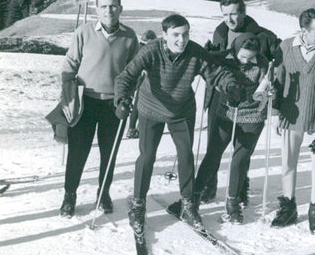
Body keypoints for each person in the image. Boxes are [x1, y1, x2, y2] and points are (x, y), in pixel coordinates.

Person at [114, 14, 241, 235]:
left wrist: (230, 86)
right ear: (164, 35)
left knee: (185, 155)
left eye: (185, 34)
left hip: (181, 110)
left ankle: (188, 204)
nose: (181, 40)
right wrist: (122, 99)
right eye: (176, 35)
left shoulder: (194, 51)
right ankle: (138, 204)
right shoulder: (152, 50)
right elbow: (126, 77)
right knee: (147, 156)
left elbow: (216, 73)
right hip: (150, 108)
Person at [59, 0, 139, 217]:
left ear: (121, 9)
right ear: (97, 9)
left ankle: (103, 192)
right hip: (85, 102)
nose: (109, 10)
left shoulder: (130, 36)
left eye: (113, 6)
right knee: (78, 152)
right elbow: (70, 64)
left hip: (114, 105)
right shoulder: (83, 32)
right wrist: (68, 92)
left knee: (109, 153)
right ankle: (69, 195)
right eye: (104, 6)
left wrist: (126, 98)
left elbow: (133, 73)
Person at [198, 0, 279, 202]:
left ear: (243, 12)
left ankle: (240, 187)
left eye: (233, 13)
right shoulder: (220, 32)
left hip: (249, 102)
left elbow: (276, 63)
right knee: (214, 146)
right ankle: (209, 186)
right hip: (220, 96)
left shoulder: (262, 35)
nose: (229, 19)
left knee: (242, 149)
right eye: (225, 14)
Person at [271, 8, 315, 235]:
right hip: (290, 117)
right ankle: (288, 207)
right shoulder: (286, 47)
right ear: (304, 30)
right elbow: (277, 82)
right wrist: (275, 112)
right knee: (287, 164)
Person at [192, 35, 273, 224]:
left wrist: (270, 92)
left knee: (240, 159)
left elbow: (267, 84)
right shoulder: (224, 59)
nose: (246, 61)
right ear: (236, 49)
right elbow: (207, 70)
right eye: (243, 56)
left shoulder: (262, 63)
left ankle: (233, 203)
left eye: (250, 57)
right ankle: (194, 197)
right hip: (227, 112)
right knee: (214, 153)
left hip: (253, 115)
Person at [125, 29, 158, 139]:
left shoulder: (137, 47)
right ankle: (135, 128)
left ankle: (132, 128)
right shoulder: (147, 49)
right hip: (143, 79)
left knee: (136, 103)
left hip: (135, 78)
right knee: (140, 103)